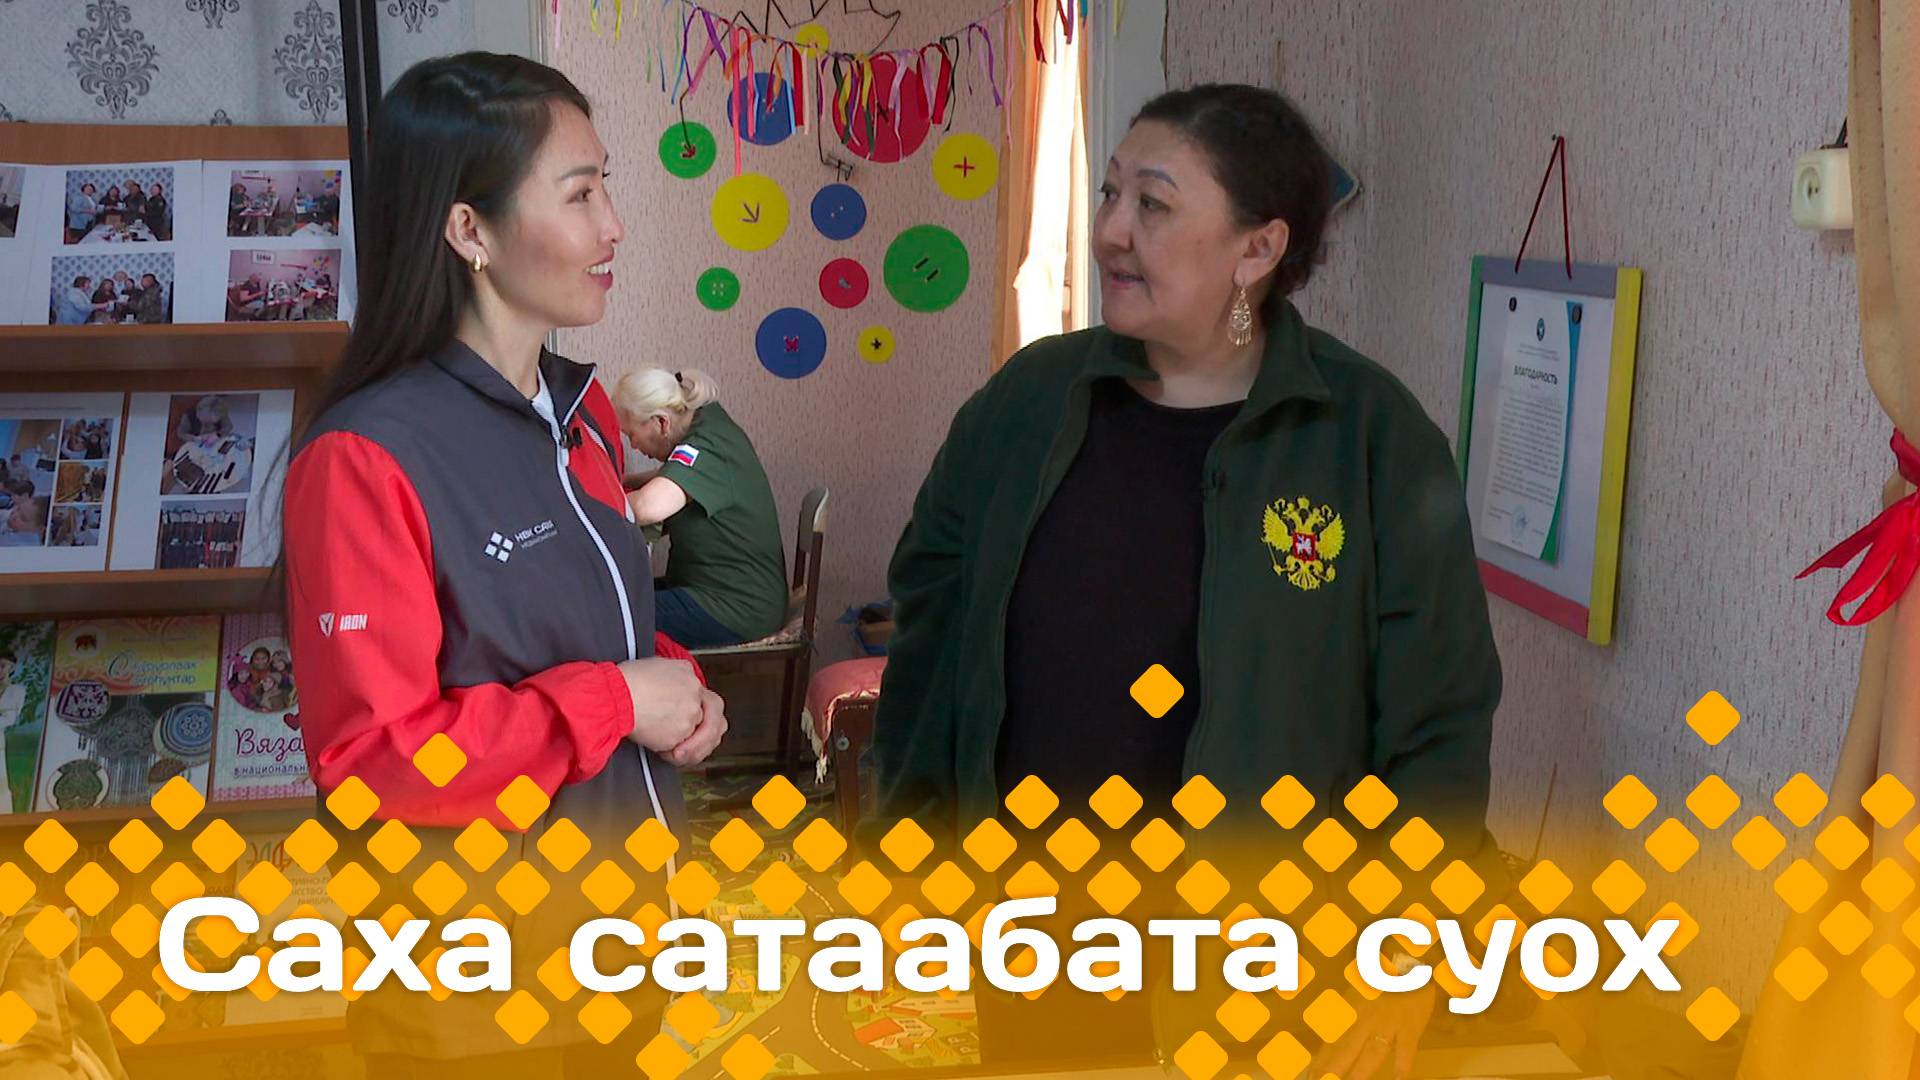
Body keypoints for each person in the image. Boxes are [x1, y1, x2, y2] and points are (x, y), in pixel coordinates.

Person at [873, 84, 1503, 1075]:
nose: (1111, 231)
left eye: (1154, 204)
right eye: (1110, 193)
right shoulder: (1024, 405)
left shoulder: (1370, 437)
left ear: (1258, 248)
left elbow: (1439, 721)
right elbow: (932, 637)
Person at [280, 52, 724, 1078]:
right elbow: (376, 765)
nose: (614, 225)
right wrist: (619, 701)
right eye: (580, 193)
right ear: (468, 230)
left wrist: (674, 684)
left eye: (607, 186)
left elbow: (576, 631)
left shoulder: (585, 413)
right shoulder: (364, 458)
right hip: (480, 998)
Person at [613, 368, 788, 647]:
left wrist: (585, 502)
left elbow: (647, 507)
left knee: (607, 615)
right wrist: (627, 481)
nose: (633, 445)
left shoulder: (707, 446)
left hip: (736, 607)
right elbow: (676, 473)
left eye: (632, 434)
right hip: (720, 592)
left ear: (661, 422)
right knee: (611, 598)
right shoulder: (707, 426)